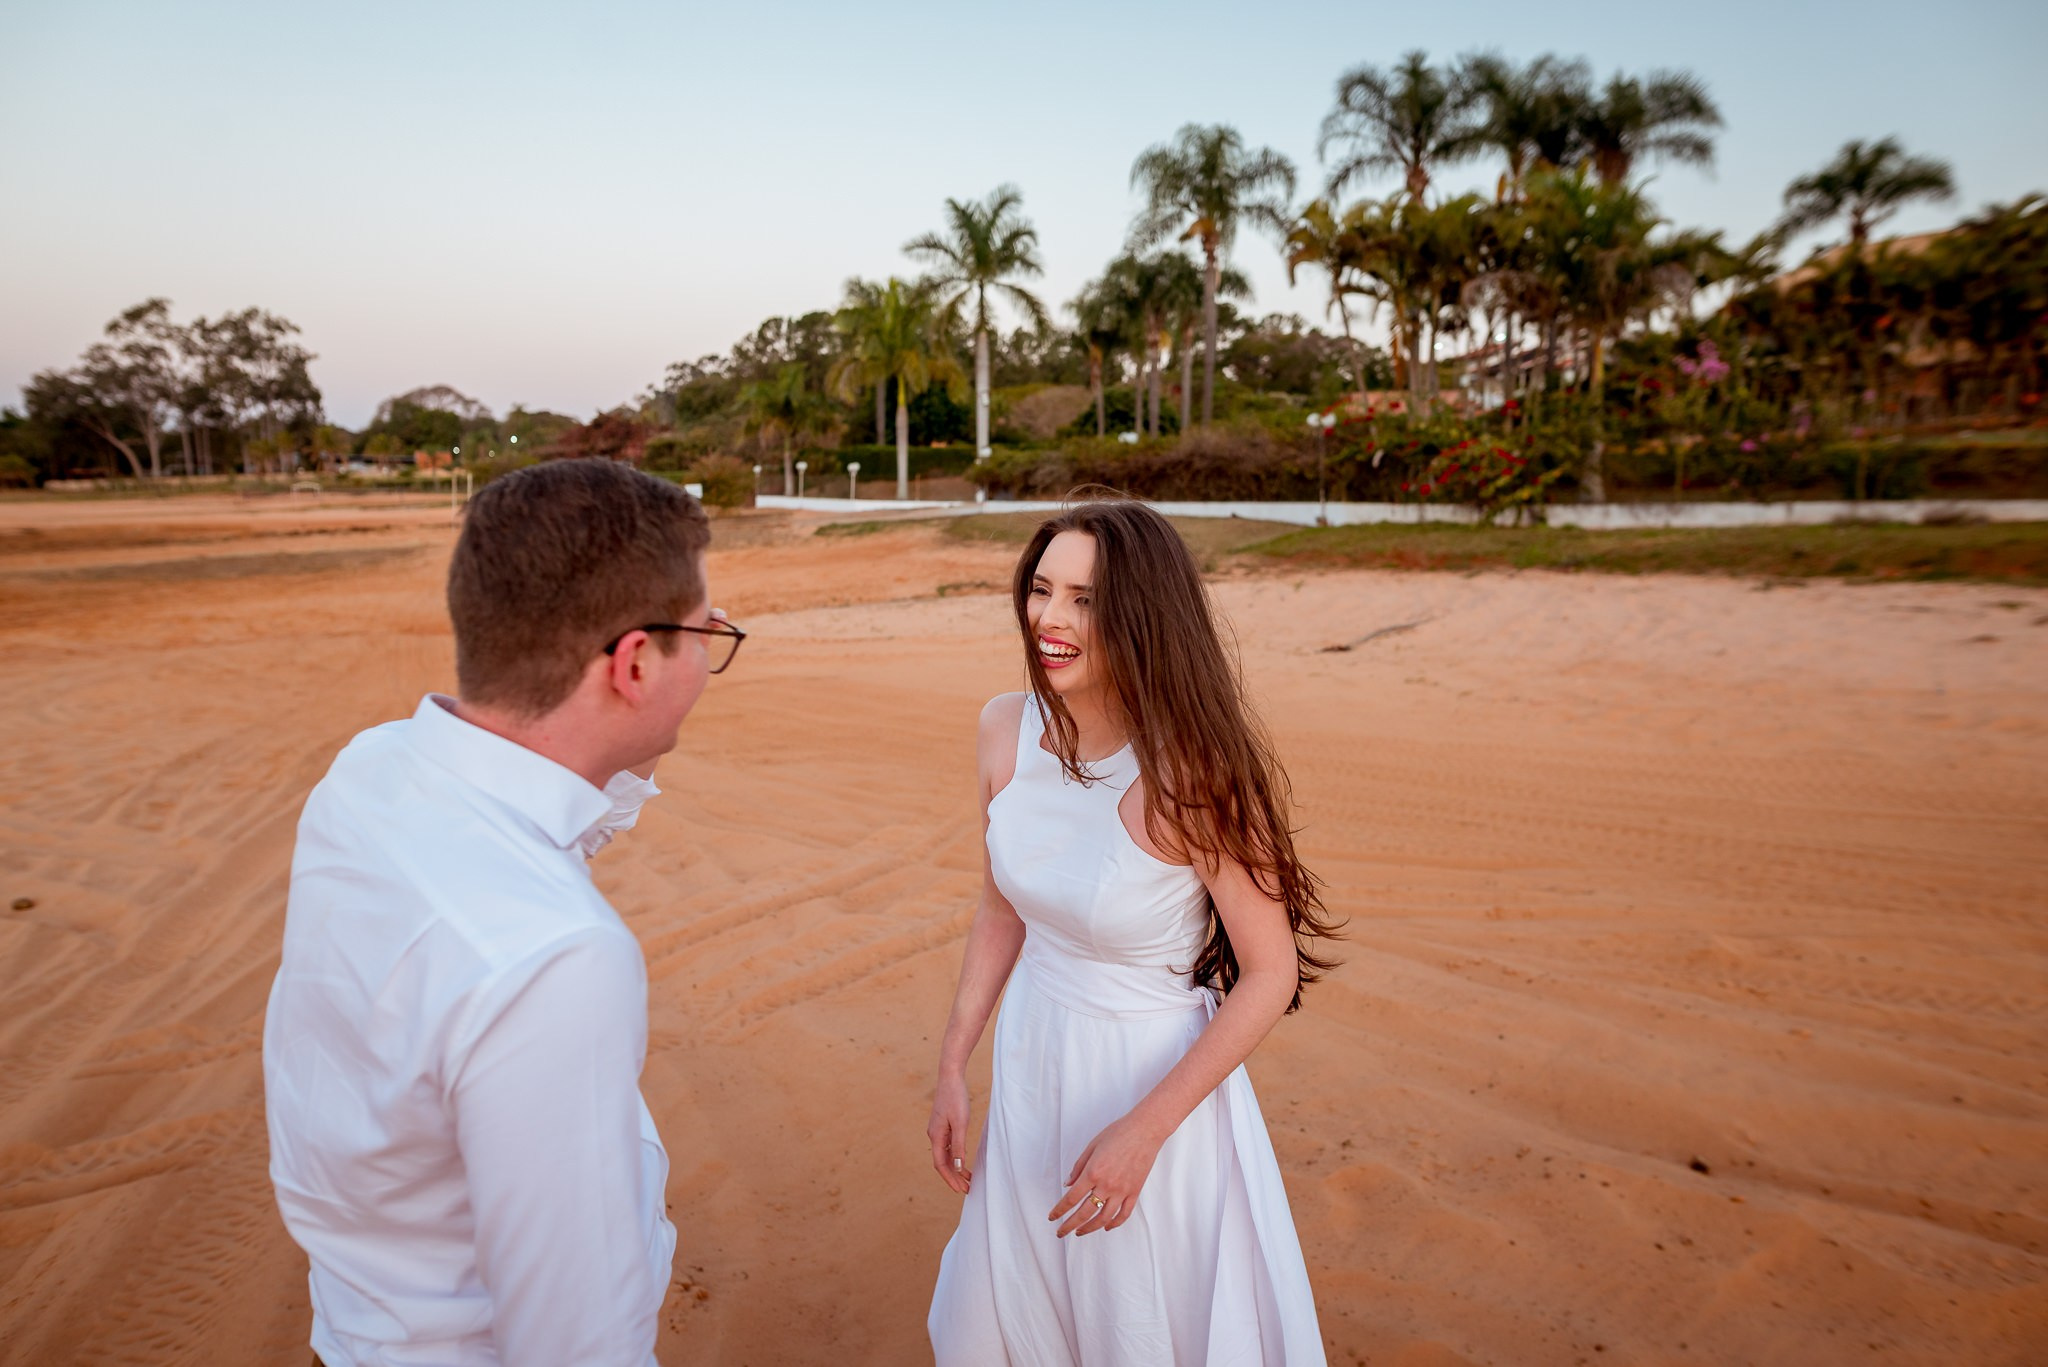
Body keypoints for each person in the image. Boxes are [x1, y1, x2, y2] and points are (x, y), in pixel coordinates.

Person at [262, 459, 745, 1367]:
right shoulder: (555, 959)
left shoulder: (371, 770)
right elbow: (575, 1342)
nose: (712, 649)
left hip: (356, 1327)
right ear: (635, 661)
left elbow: (537, 820)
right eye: (703, 632)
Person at [926, 498, 1339, 1365]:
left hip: (1150, 1087)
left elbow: (1270, 974)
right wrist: (954, 1063)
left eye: (1086, 598)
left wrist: (1144, 1131)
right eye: (1042, 589)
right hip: (1033, 1062)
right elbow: (1003, 905)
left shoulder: (1193, 772)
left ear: (1142, 615)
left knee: (1137, 1319)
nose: (1051, 618)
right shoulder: (1005, 728)